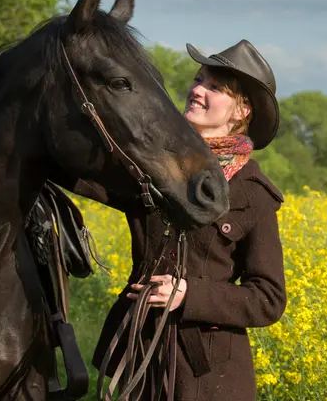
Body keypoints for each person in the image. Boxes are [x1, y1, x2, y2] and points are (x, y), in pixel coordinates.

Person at [92, 39, 288, 401]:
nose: (197, 90)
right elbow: (86, 174)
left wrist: (188, 295)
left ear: (241, 110)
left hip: (207, 377)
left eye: (214, 88)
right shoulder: (155, 167)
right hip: (138, 359)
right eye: (199, 80)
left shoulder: (252, 193)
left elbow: (268, 299)